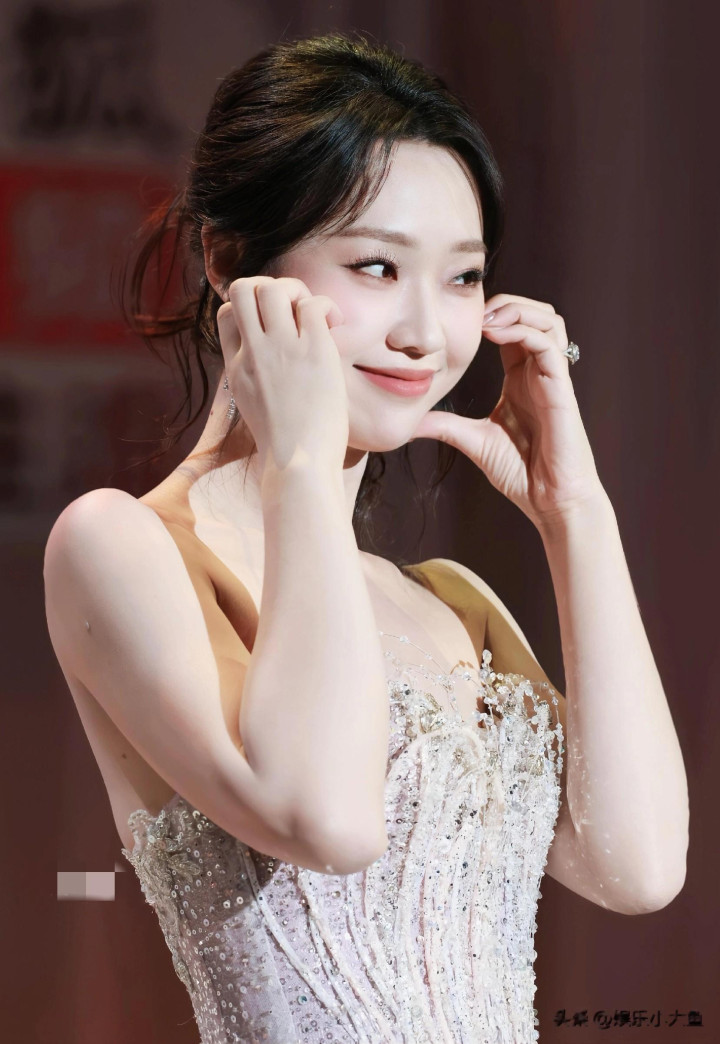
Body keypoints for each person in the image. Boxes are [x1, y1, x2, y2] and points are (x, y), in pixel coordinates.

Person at [43, 30, 688, 1044]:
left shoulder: (453, 602)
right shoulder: (119, 546)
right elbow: (329, 821)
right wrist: (299, 466)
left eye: (464, 279)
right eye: (378, 266)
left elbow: (637, 867)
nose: (426, 333)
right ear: (229, 260)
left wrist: (577, 514)